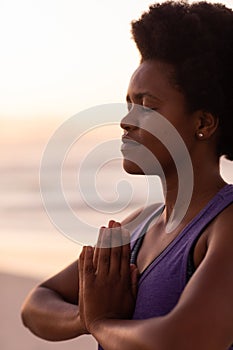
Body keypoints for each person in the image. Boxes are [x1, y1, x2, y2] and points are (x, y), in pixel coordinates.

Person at [21, 1, 233, 349]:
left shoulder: (224, 225)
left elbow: (183, 339)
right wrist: (82, 318)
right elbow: (36, 304)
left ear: (203, 123)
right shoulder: (138, 225)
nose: (126, 121)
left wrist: (103, 322)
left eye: (148, 106)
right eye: (129, 104)